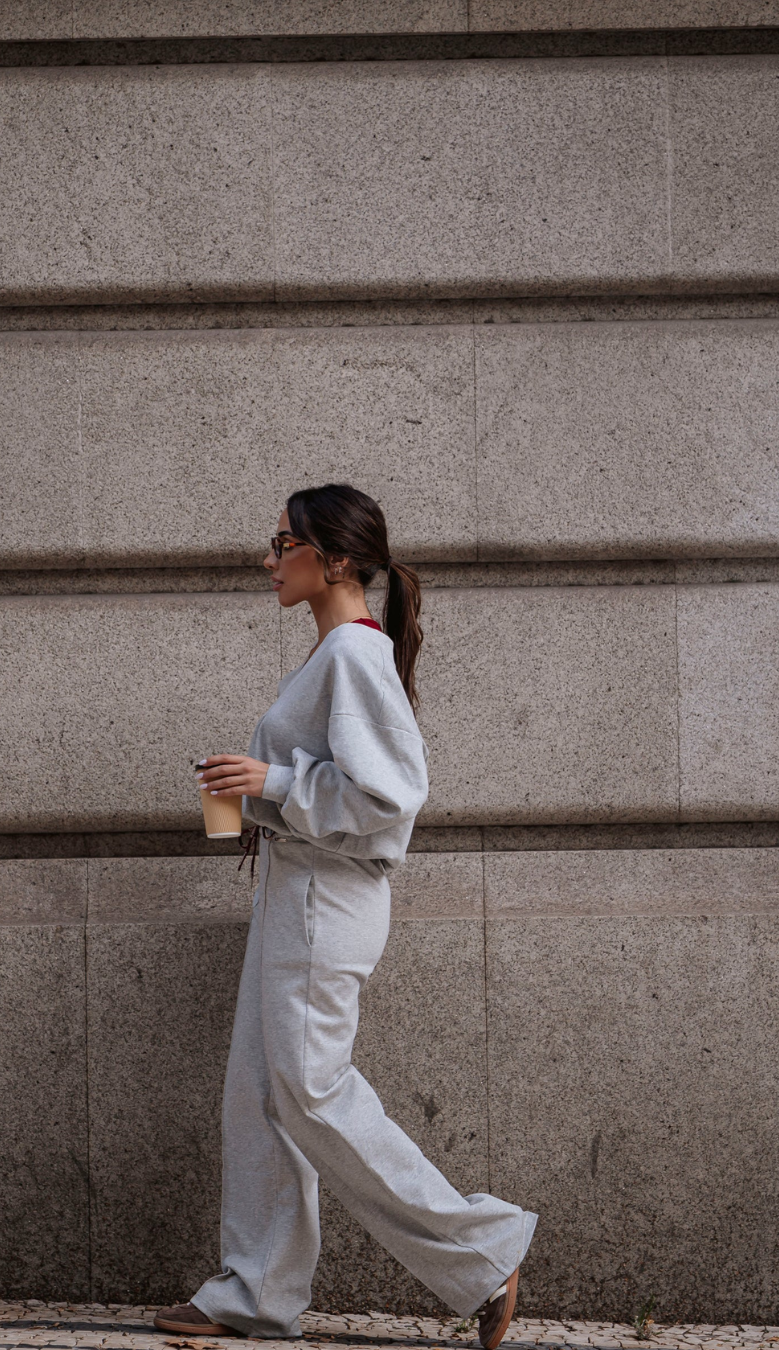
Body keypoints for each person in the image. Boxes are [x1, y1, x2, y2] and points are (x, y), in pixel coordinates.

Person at [155, 484, 536, 1348]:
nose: (268, 559)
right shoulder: (336, 656)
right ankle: (254, 1288)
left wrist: (273, 783)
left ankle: (484, 1251)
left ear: (331, 559)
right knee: (261, 1096)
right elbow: (336, 789)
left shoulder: (354, 657)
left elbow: (389, 797)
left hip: (327, 902)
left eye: (281, 542)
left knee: (312, 1093)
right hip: (299, 897)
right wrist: (253, 793)